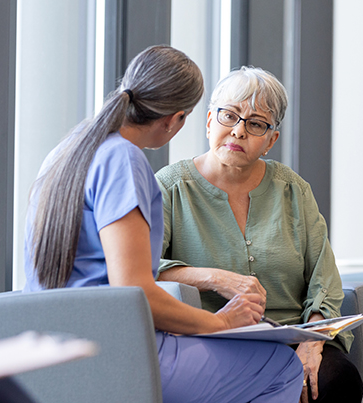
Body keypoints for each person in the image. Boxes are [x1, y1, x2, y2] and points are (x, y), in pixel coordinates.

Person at [23, 45, 303, 403]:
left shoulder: (67, 151)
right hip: (111, 353)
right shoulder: (123, 160)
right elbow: (133, 290)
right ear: (177, 119)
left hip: (49, 349)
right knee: (281, 366)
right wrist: (221, 322)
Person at [155, 66, 363, 403]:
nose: (238, 131)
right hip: (213, 336)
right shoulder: (169, 187)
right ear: (209, 121)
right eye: (229, 116)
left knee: (334, 380)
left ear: (271, 139)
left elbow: (323, 279)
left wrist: (312, 345)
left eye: (255, 124)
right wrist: (217, 279)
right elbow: (147, 269)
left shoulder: (293, 189)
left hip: (291, 337)